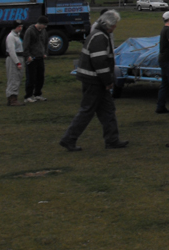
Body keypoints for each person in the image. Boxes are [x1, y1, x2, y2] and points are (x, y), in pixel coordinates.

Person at [60, 9, 128, 151]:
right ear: (108, 24)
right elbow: (100, 62)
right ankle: (69, 139)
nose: (115, 27)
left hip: (93, 80)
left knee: (108, 109)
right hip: (94, 81)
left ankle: (112, 140)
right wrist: (108, 81)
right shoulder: (100, 37)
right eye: (115, 25)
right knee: (87, 110)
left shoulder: (97, 34)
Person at [22, 15, 49, 103]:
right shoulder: (30, 31)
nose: (45, 27)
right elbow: (26, 44)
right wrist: (27, 56)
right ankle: (28, 96)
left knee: (40, 77)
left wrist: (45, 52)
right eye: (44, 25)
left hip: (40, 57)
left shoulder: (44, 31)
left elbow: (45, 42)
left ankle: (38, 94)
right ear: (40, 24)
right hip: (31, 58)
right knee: (31, 77)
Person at [5, 21, 25, 106]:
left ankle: (12, 98)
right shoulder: (11, 37)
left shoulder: (18, 36)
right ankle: (12, 98)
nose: (20, 28)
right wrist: (17, 63)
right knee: (14, 78)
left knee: (18, 78)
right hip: (14, 59)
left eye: (21, 26)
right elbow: (12, 51)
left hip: (20, 56)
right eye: (18, 27)